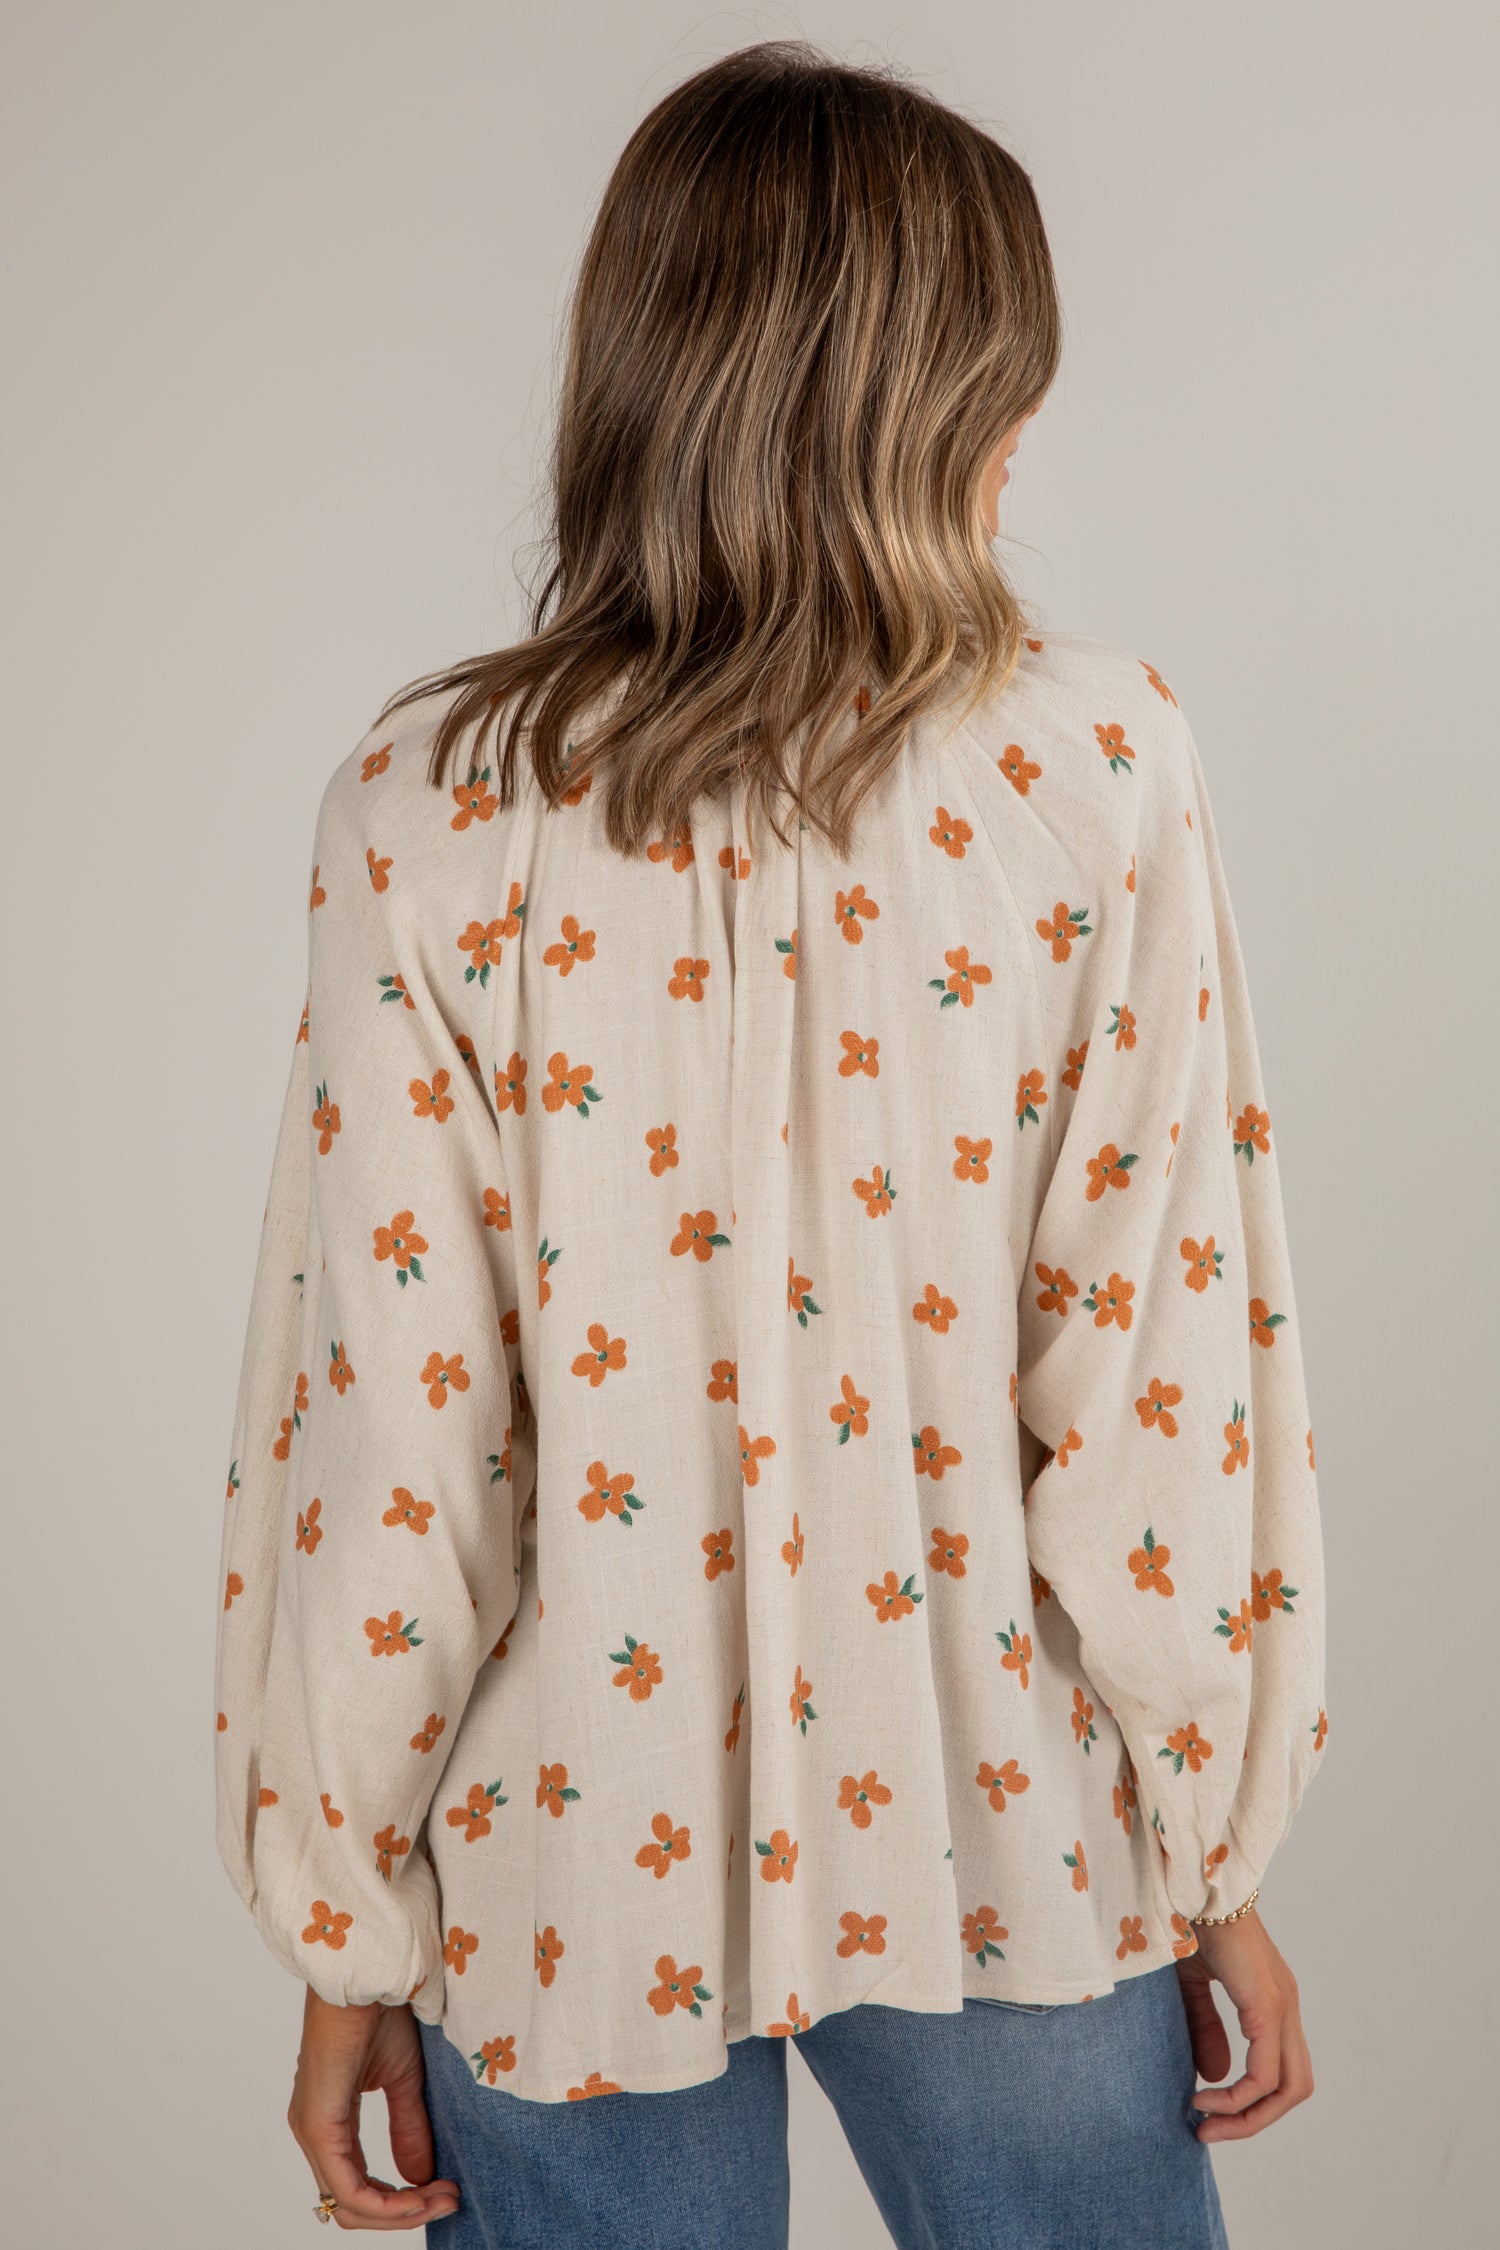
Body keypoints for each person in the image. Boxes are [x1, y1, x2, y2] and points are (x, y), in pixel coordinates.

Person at [212, 40, 1329, 2249]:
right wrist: (1209, 1849)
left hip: (552, 1848)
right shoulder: (1096, 767)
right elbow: (1153, 1369)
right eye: (1008, 376)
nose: (1028, 440)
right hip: (999, 1820)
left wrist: (346, 1922)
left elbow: (394, 1442)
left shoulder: (429, 805)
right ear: (932, 408)